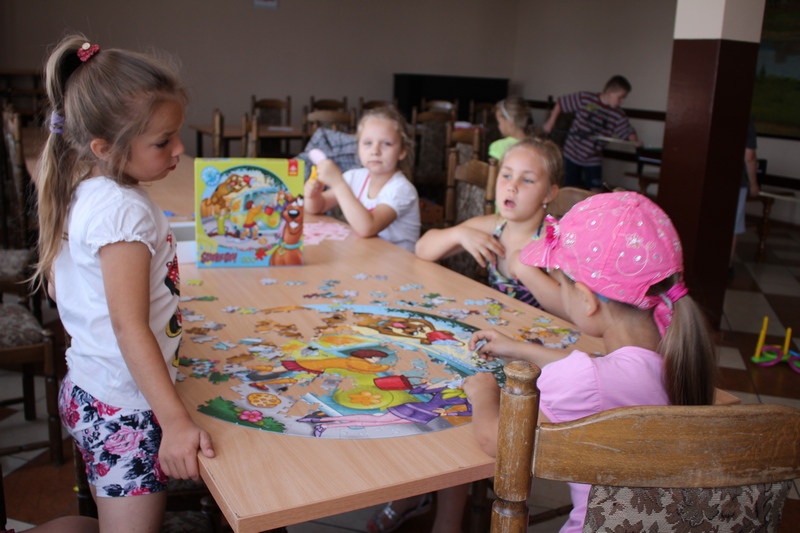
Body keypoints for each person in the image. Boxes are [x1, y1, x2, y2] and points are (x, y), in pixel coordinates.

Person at [33, 35, 215, 531]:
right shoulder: (124, 211)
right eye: (163, 141)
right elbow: (128, 327)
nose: (180, 148)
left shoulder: (82, 190)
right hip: (125, 409)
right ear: (105, 147)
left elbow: (63, 290)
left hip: (88, 388)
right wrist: (175, 421)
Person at [462, 191, 718, 533]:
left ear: (587, 300)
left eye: (562, 285)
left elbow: (497, 442)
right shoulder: (679, 349)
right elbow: (600, 369)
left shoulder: (585, 379)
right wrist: (520, 349)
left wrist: (484, 392)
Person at [415, 138, 564, 315]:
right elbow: (422, 249)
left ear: (549, 193)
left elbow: (572, 311)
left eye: (527, 180)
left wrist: (526, 270)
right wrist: (459, 234)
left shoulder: (553, 241)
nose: (512, 186)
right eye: (506, 175)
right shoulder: (495, 226)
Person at [304, 107, 421, 252]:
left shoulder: (402, 189)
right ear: (358, 147)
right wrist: (312, 195)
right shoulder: (354, 177)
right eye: (367, 143)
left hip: (398, 263)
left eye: (386, 143)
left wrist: (338, 183)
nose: (375, 151)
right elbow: (317, 208)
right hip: (367, 255)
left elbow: (367, 228)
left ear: (402, 152)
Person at [542, 75, 642, 192]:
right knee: (569, 188)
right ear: (610, 92)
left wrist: (635, 142)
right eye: (620, 97)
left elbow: (628, 130)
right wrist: (551, 122)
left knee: (596, 190)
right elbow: (562, 102)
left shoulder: (618, 114)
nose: (622, 102)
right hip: (572, 152)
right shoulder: (586, 99)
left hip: (593, 157)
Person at [731, 119, 759, 266]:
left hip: (710, 179)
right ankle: (726, 265)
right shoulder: (745, 120)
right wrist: (753, 184)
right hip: (736, 182)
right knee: (732, 226)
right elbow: (749, 156)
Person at [487, 96, 534, 161]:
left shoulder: (498, 146)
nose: (498, 126)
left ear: (509, 121)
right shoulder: (536, 145)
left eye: (499, 122)